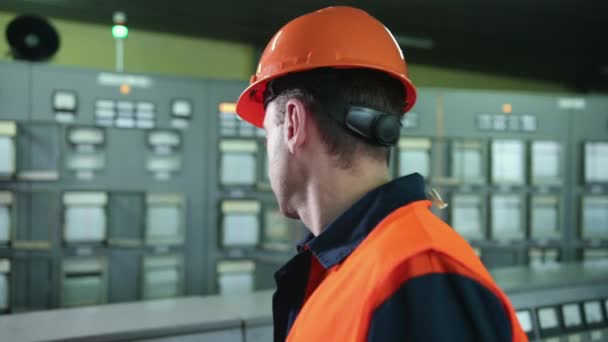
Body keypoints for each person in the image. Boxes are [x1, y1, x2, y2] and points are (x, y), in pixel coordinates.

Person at [235, 6, 527, 342]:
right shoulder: (348, 264)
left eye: (267, 132)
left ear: (293, 123)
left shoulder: (419, 277)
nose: (267, 153)